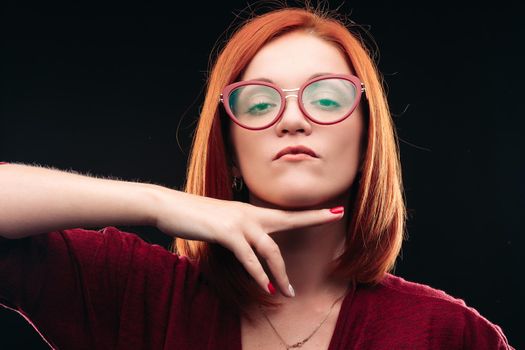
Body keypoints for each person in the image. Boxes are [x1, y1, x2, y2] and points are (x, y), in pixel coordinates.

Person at [0, 5, 514, 350]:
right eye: (260, 102)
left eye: (327, 98)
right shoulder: (138, 293)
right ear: (231, 148)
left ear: (366, 141)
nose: (292, 119)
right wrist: (160, 203)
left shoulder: (444, 333)